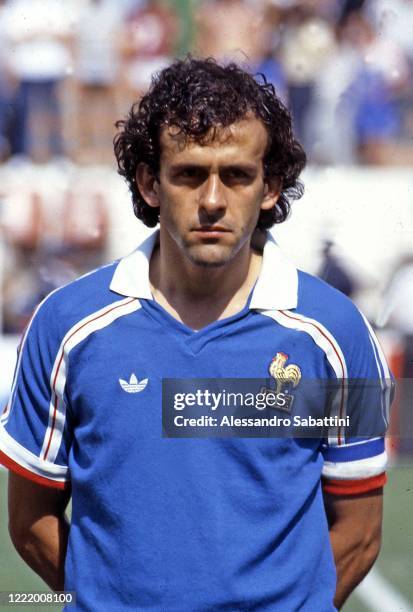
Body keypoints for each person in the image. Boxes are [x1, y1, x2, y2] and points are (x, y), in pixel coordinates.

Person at [0, 57, 391, 611]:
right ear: (149, 183)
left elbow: (360, 530)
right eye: (189, 173)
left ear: (271, 186)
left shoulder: (336, 333)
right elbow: (30, 520)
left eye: (237, 175)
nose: (212, 200)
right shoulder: (67, 326)